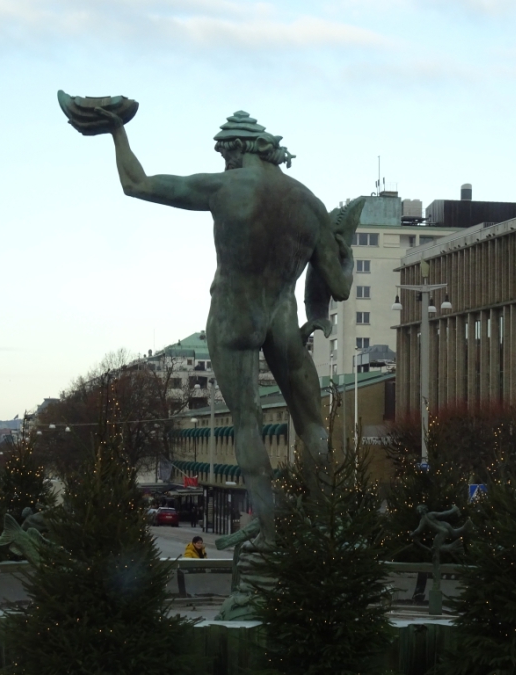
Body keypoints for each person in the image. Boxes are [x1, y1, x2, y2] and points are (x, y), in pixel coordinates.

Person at [86, 108, 361, 548]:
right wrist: (345, 254)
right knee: (312, 424)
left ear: (236, 149)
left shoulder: (224, 186)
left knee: (247, 421)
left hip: (234, 314)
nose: (223, 161)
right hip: (282, 318)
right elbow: (341, 288)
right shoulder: (310, 205)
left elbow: (136, 184)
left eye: (224, 153)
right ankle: (326, 526)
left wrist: (117, 131)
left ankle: (270, 534)